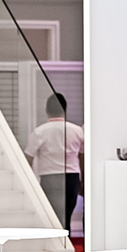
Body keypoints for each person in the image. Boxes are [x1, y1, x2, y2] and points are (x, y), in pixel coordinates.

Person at [25, 93, 84, 229]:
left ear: (46, 110)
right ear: (65, 110)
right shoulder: (77, 131)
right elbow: (82, 157)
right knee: (66, 217)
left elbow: (28, 157)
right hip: (71, 177)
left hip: (49, 178)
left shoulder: (39, 132)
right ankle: (66, 239)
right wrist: (82, 181)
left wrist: (29, 181)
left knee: (51, 218)